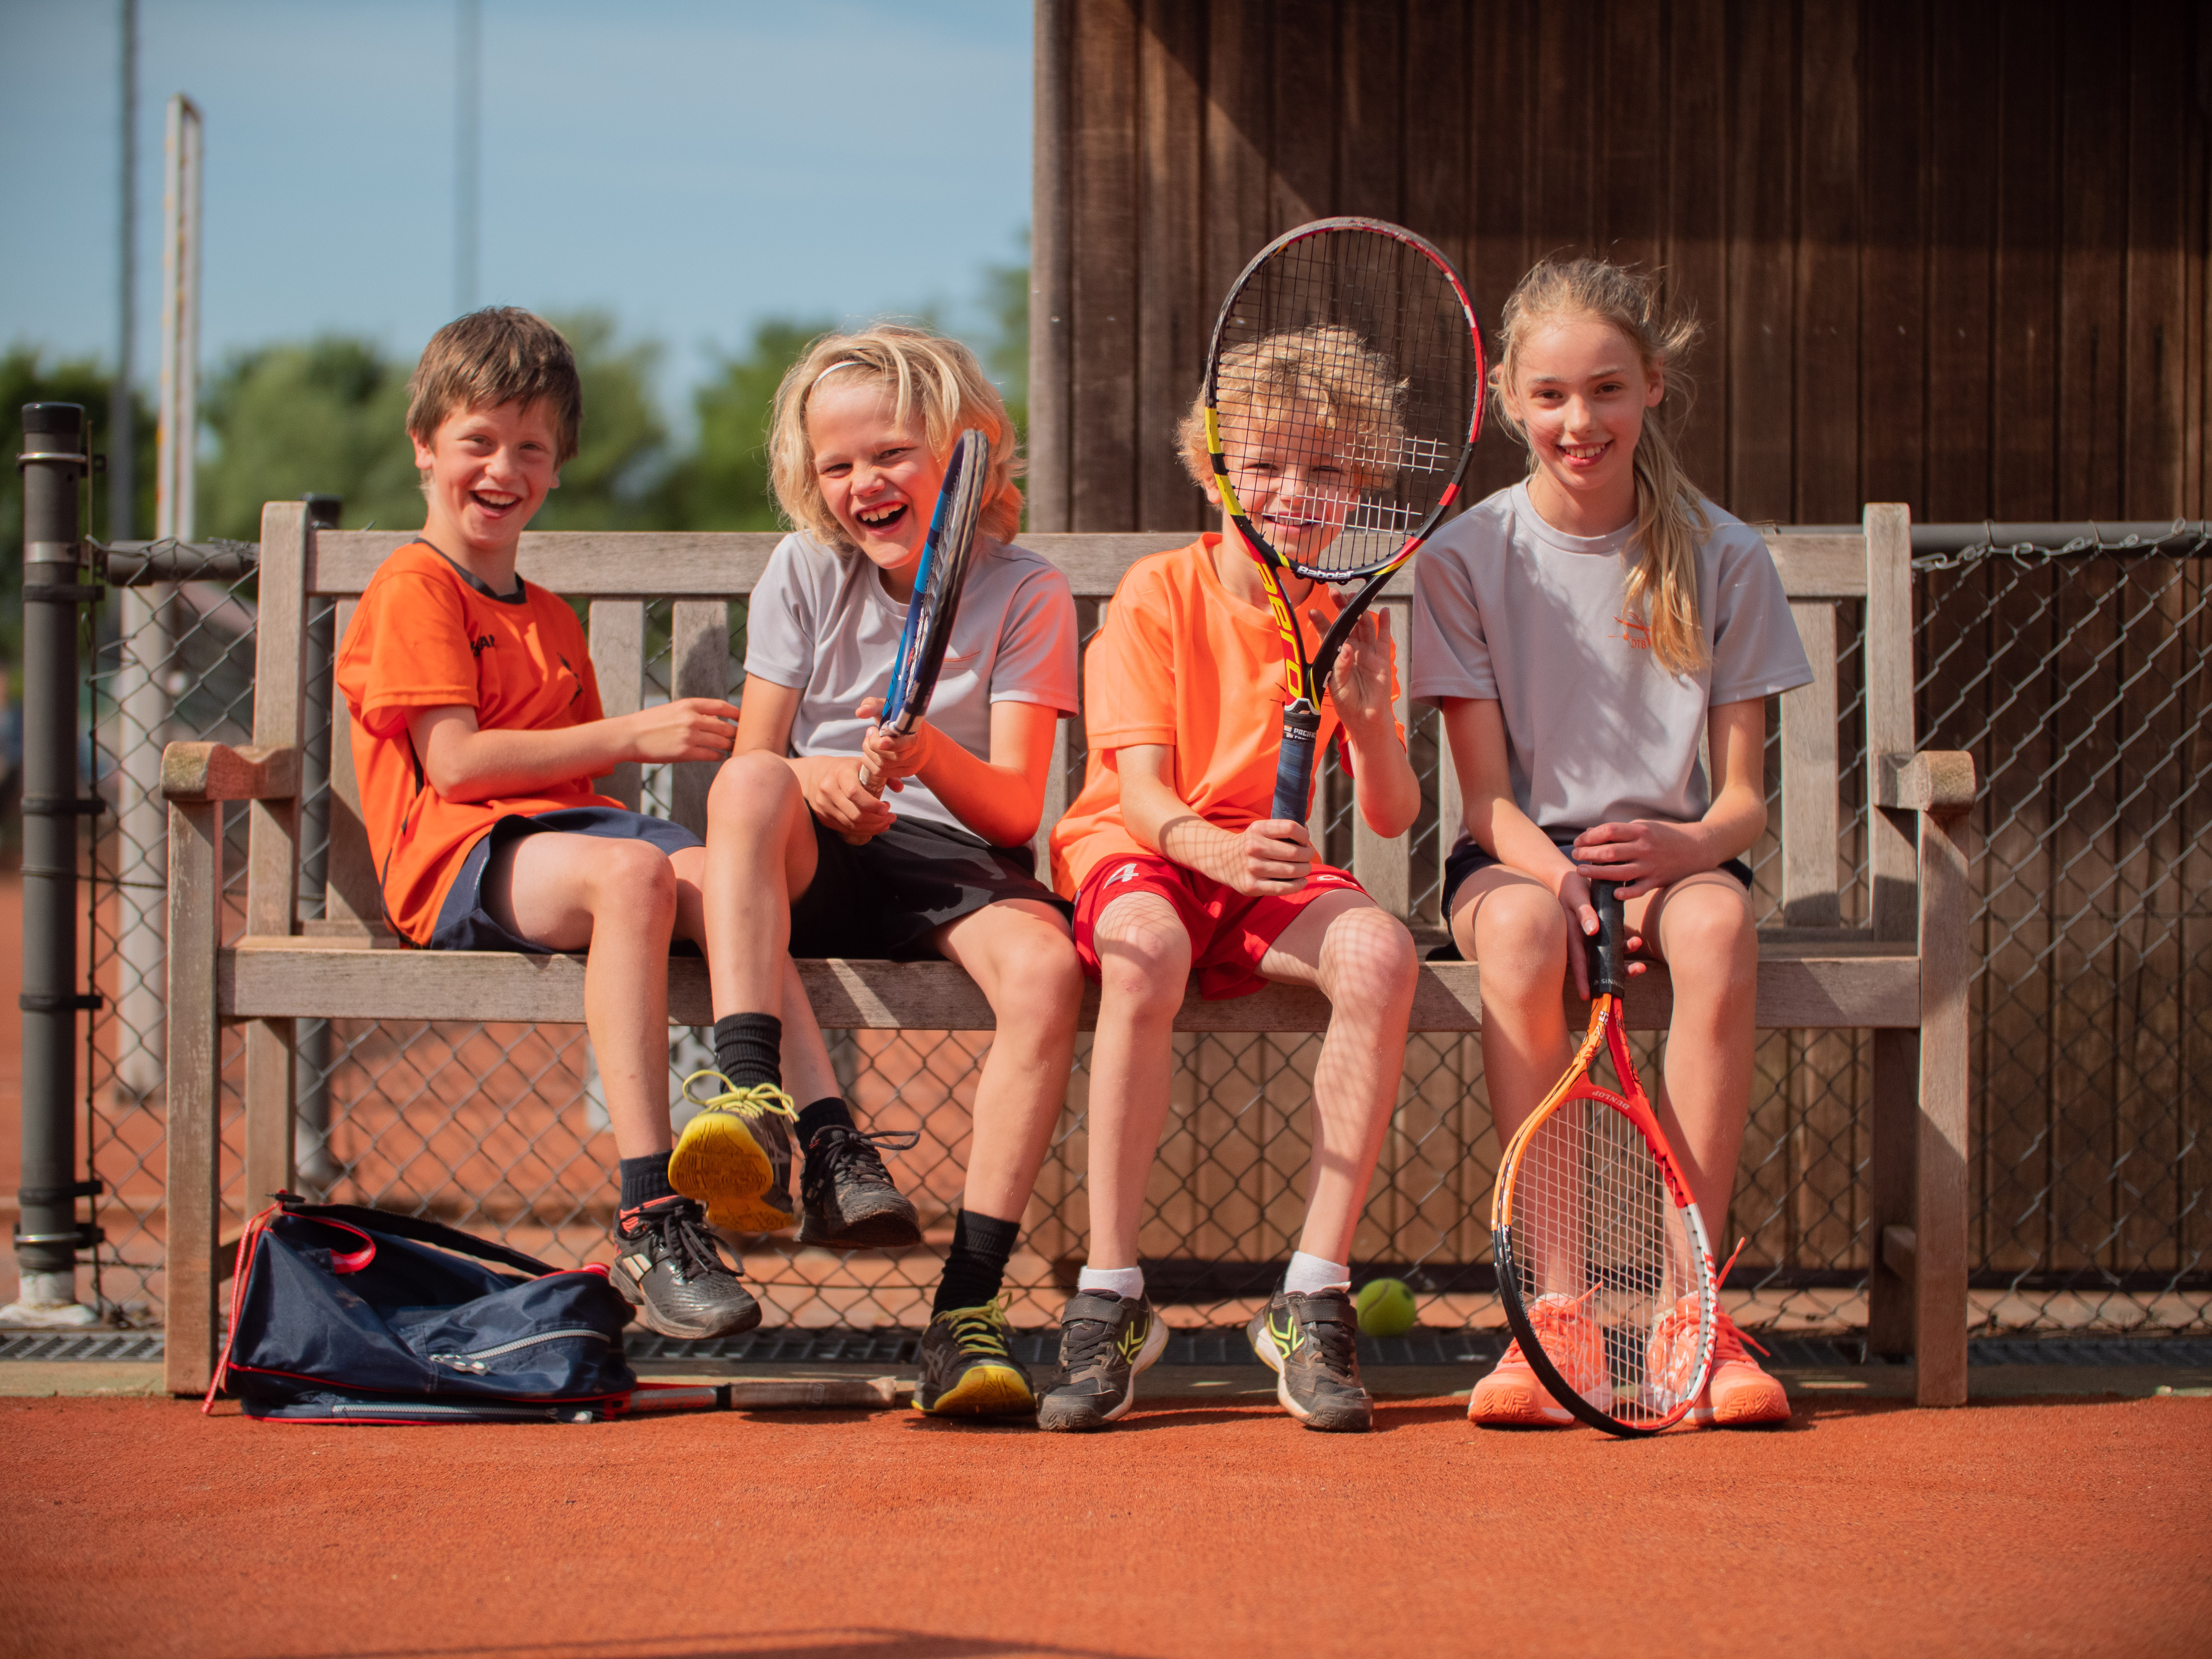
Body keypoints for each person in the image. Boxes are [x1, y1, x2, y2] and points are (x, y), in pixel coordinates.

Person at [1412, 257, 1805, 1428]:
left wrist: (1689, 851)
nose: (1578, 422)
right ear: (1508, 399)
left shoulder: (1725, 554)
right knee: (1524, 937)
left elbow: (1743, 804)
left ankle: (1695, 1314)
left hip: (1674, 862)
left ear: (1653, 388)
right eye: (1549, 395)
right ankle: (1558, 1317)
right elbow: (1486, 805)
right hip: (1521, 862)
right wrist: (1564, 879)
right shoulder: (1465, 558)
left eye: (1606, 390)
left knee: (1722, 928)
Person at [333, 307, 760, 1342]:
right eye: (478, 441)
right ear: (425, 446)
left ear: (559, 467)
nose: (503, 468)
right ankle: (652, 1212)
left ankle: (801, 1132)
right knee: (635, 879)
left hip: (559, 846)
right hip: (453, 859)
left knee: (732, 879)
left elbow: (578, 789)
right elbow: (456, 764)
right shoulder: (413, 586)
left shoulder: (555, 616)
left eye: (531, 448)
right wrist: (637, 732)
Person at [1038, 327, 1422, 1434]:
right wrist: (1214, 852)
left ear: (1361, 484)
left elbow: (1392, 812)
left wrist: (1366, 716)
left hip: (1259, 871)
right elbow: (1143, 798)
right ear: (1213, 473)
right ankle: (1112, 1296)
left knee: (1380, 954)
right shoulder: (1157, 593)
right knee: (1146, 953)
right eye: (1265, 464)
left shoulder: (1348, 622)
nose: (1294, 491)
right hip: (1145, 851)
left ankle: (1313, 1293)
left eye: (1326, 468)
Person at [698, 324, 1086, 1418]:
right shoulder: (802, 569)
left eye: (893, 455)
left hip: (952, 853)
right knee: (748, 788)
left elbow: (1013, 809)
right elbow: (755, 760)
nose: (864, 482)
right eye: (838, 464)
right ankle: (754, 1100)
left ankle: (966, 1309)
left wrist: (930, 757)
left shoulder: (1029, 591)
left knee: (1049, 973)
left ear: (966, 453)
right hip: (814, 847)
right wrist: (815, 776)